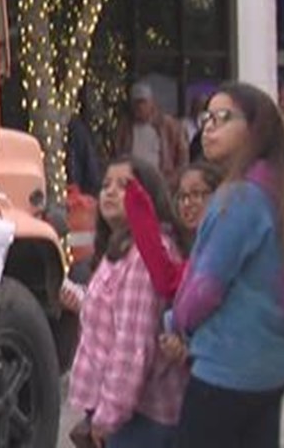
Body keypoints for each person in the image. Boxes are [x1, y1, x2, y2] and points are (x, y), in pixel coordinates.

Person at [165, 82, 284, 448]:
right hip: (271, 363)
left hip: (228, 365)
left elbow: (206, 287)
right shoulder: (283, 187)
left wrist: (175, 322)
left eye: (223, 117)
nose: (209, 127)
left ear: (255, 127)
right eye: (207, 118)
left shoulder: (239, 198)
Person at [65, 157, 189, 448]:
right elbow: (112, 317)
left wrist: (108, 417)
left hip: (140, 417)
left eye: (124, 186)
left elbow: (132, 346)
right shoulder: (121, 249)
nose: (109, 192)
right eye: (106, 184)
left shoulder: (142, 257)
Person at [126, 161, 223, 300]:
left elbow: (168, 281)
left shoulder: (225, 247)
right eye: (183, 197)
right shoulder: (189, 249)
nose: (187, 204)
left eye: (196, 194)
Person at [113, 82, 189, 186]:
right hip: (133, 182)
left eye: (143, 102)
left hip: (161, 182)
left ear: (151, 102)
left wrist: (174, 179)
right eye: (136, 103)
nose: (139, 107)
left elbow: (183, 156)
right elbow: (118, 154)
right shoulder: (126, 127)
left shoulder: (168, 125)